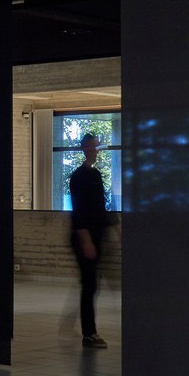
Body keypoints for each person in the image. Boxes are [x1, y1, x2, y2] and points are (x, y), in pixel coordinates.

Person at [69, 132, 110, 349]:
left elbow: (98, 206)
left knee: (91, 284)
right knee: (89, 284)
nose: (95, 150)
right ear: (84, 148)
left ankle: (87, 330)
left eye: (97, 147)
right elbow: (79, 212)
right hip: (86, 238)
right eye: (92, 147)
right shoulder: (78, 177)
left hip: (95, 235)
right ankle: (89, 333)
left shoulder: (95, 175)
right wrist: (86, 240)